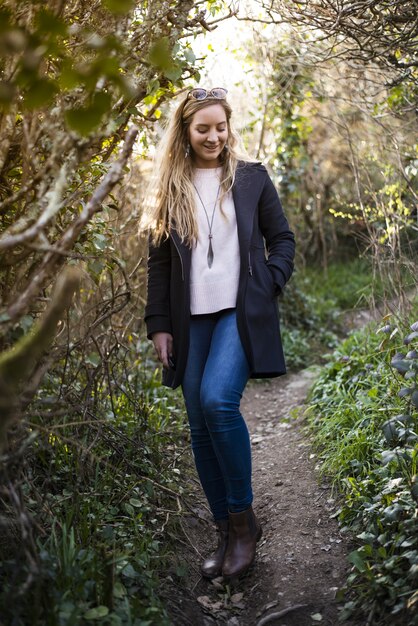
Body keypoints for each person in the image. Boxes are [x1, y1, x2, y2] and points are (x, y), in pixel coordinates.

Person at [145, 87, 295, 581]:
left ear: (230, 126)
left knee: (217, 403)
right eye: (202, 128)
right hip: (190, 320)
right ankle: (224, 531)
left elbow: (283, 240)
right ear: (185, 133)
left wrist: (266, 286)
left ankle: (244, 522)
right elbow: (160, 262)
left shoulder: (251, 178)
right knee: (196, 420)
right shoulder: (173, 185)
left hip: (237, 313)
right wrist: (159, 326)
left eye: (220, 126)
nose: (213, 136)